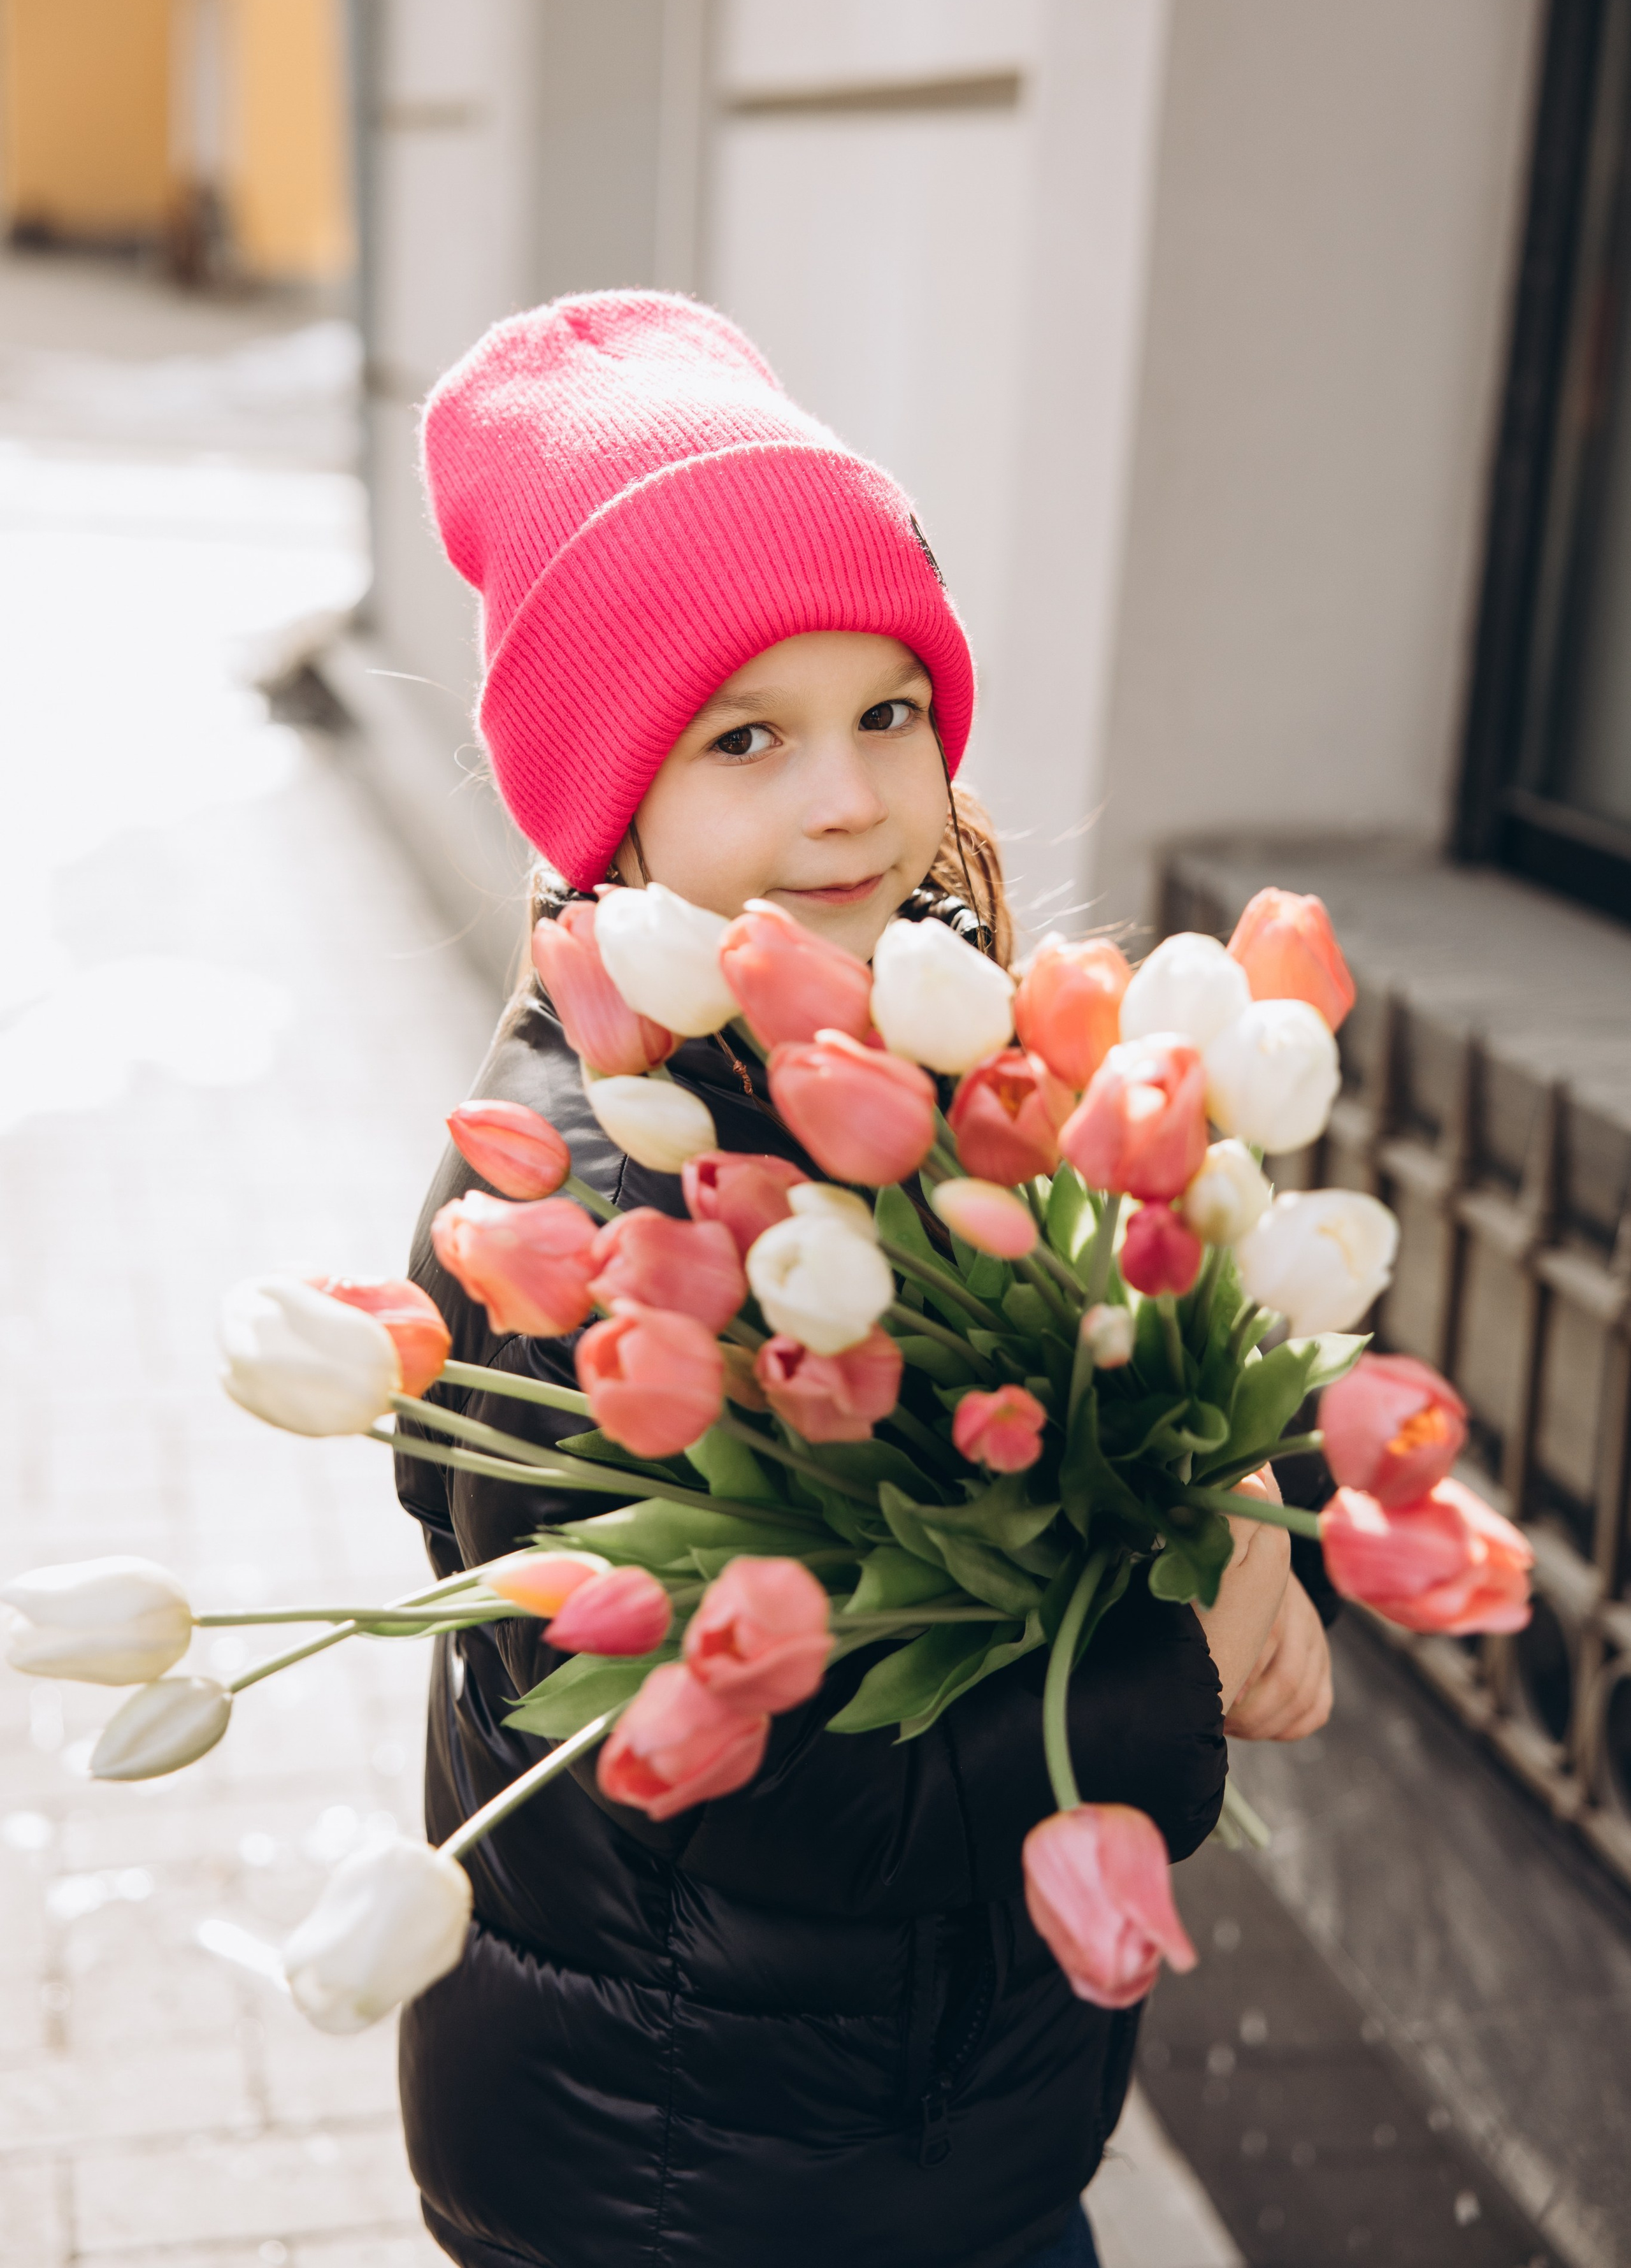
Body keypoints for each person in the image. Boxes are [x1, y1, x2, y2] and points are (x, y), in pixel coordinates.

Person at [392, 291, 1333, 2268]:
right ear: (613, 803)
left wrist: (1251, 1499)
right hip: (679, 2174)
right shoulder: (582, 1205)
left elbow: (1120, 1365)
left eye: (884, 712)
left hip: (951, 2130)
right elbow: (749, 1776)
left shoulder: (944, 1039)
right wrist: (1169, 1675)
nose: (848, 799)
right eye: (750, 738)